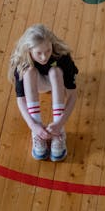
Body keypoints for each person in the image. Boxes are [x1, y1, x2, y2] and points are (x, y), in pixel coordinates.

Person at [10, 24, 79, 162]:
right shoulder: (21, 61)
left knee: (55, 71)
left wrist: (60, 122)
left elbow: (72, 95)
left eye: (48, 51)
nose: (44, 57)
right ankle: (38, 133)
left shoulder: (62, 55)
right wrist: (33, 125)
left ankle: (58, 131)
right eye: (39, 53)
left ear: (51, 44)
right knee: (28, 72)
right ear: (29, 51)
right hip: (37, 83)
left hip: (56, 80)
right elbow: (21, 99)